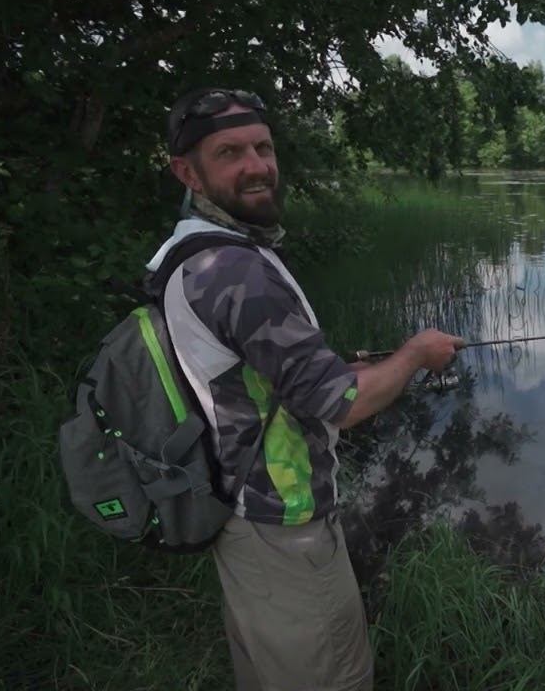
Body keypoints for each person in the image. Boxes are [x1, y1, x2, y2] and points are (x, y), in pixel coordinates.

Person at [150, 87, 463, 690]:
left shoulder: (189, 249)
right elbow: (342, 405)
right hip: (284, 524)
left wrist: (332, 365)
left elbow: (251, 375)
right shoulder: (234, 271)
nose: (256, 166)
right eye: (229, 153)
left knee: (267, 671)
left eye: (263, 148)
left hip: (238, 506)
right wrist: (415, 355)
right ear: (187, 171)